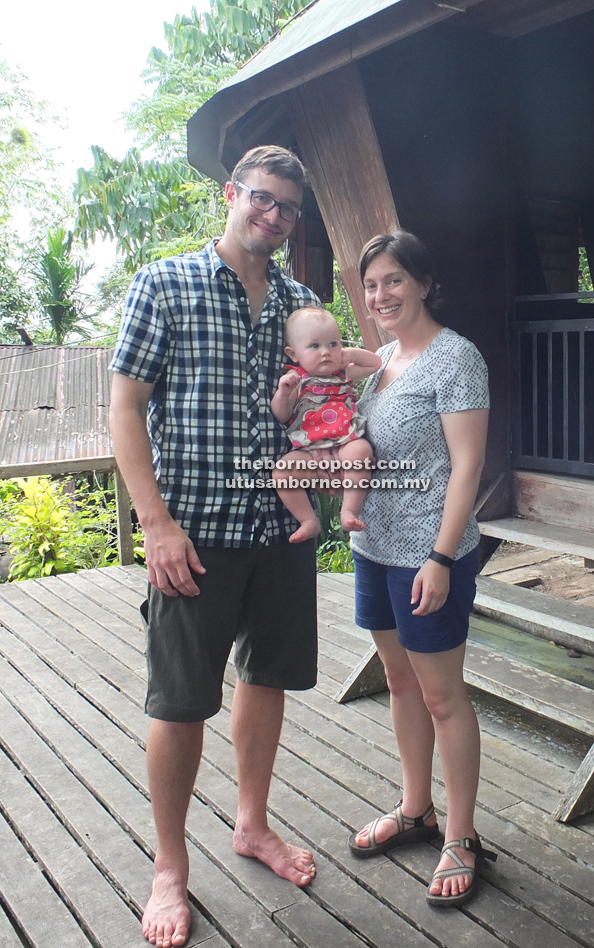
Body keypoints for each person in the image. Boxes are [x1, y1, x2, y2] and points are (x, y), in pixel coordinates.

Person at [109, 145, 322, 948]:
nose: (272, 217)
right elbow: (125, 408)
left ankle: (252, 825)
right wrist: (155, 523)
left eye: (288, 210)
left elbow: (318, 402)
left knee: (265, 679)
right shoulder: (164, 283)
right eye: (262, 200)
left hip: (279, 529)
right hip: (193, 534)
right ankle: (169, 866)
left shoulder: (301, 301)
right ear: (231, 193)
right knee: (181, 699)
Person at [346, 231, 496, 908]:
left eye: (395, 281)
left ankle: (461, 836)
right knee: (401, 685)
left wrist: (440, 556)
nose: (381, 295)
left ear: (425, 283)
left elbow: (467, 466)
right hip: (372, 550)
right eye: (372, 284)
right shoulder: (376, 363)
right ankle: (416, 810)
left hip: (429, 556)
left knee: (442, 696)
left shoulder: (456, 358)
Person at [271, 306, 381, 541]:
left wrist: (351, 354)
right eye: (314, 346)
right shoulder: (298, 380)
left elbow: (375, 364)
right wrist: (282, 392)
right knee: (282, 472)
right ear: (293, 354)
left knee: (361, 450)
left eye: (333, 344)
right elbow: (281, 415)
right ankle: (308, 520)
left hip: (345, 443)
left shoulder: (342, 374)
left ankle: (349, 509)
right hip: (310, 453)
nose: (326, 352)